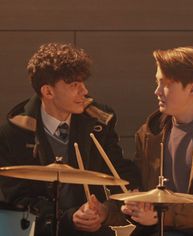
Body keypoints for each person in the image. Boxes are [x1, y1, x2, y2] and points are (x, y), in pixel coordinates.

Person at [0, 42, 139, 236]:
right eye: (74, 85)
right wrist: (68, 219)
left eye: (83, 82)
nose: (84, 91)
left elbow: (122, 173)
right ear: (48, 92)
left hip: (91, 230)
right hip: (39, 230)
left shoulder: (98, 122)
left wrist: (106, 210)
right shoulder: (14, 132)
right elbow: (17, 199)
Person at [121, 46, 193, 236]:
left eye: (165, 84)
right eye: (157, 82)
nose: (157, 91)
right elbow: (142, 187)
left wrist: (163, 216)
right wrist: (132, 206)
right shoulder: (150, 132)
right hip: (157, 229)